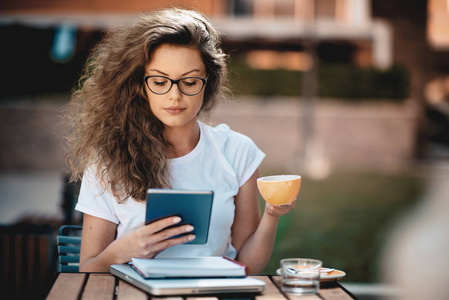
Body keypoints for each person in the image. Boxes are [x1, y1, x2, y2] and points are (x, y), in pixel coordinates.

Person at [66, 7, 296, 274]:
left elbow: (248, 267)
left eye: (189, 81)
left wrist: (271, 215)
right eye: (160, 81)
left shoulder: (237, 151)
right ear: (141, 86)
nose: (175, 96)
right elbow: (88, 267)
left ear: (207, 83)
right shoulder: (108, 158)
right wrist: (123, 250)